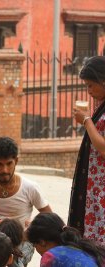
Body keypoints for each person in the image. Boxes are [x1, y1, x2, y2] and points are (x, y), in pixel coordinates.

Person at [0, 136, 52, 265]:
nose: (4, 170)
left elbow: (50, 218)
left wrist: (29, 231)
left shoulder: (30, 188)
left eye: (9, 164)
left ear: (16, 161)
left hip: (21, 242)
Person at [69, 56, 105, 247]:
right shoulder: (101, 105)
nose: (88, 91)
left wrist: (86, 121)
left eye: (91, 85)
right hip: (95, 182)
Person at [27, 212, 105, 267]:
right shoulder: (85, 248)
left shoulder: (51, 257)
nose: (36, 249)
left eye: (34, 245)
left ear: (42, 242)